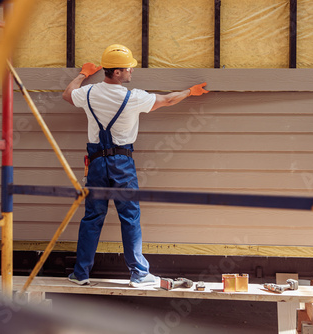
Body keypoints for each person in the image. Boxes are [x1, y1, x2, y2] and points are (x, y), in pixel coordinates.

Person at [62, 44, 209, 288]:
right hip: (122, 164)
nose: (132, 70)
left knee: (92, 218)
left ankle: (81, 273)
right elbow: (168, 100)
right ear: (117, 72)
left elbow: (68, 95)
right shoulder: (134, 97)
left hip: (97, 163)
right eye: (129, 67)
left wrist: (82, 74)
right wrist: (190, 92)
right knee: (129, 217)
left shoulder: (88, 93)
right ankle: (139, 274)